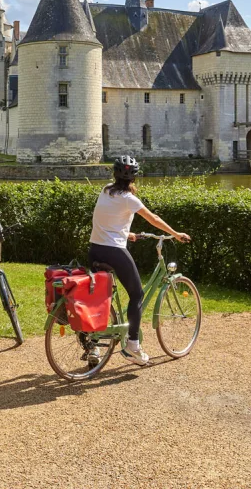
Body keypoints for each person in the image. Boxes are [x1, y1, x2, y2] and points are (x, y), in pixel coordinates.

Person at [89, 155, 190, 366]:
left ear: (114, 175)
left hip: (95, 249)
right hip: (114, 251)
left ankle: (94, 345)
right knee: (137, 294)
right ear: (134, 178)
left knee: (100, 296)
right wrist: (176, 233)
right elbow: (153, 219)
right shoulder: (129, 199)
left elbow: (105, 220)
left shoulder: (106, 190)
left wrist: (126, 233)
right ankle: (133, 346)